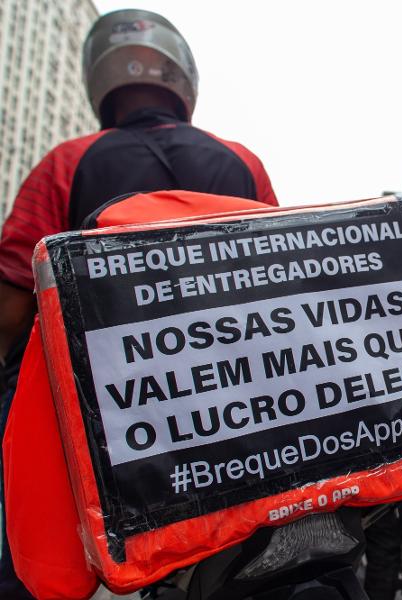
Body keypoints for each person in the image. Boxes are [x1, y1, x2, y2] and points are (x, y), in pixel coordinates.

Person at [0, 9, 277, 598]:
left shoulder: (67, 162)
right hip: (232, 415)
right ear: (183, 83)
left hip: (99, 431)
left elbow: (10, 304)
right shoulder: (242, 162)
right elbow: (276, 277)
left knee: (28, 565)